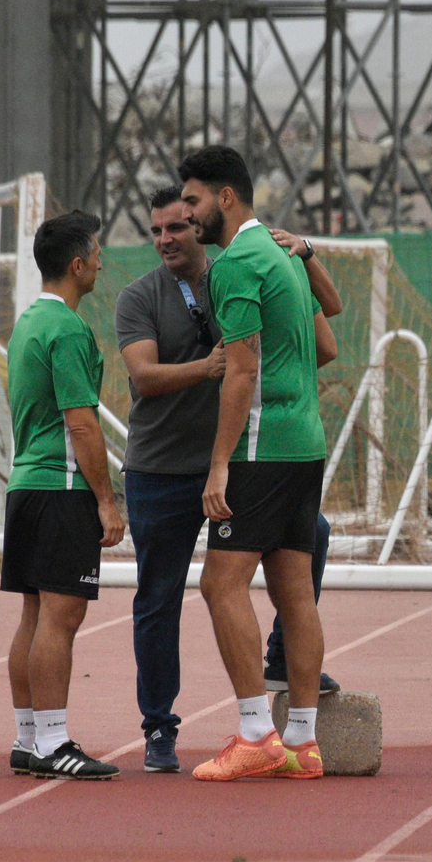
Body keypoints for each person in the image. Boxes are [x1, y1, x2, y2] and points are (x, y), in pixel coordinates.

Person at [115, 187, 343, 774]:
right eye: (156, 230)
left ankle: (280, 664)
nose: (166, 238)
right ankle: (160, 728)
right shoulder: (139, 296)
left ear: (201, 224)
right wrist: (211, 367)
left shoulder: (246, 271)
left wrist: (308, 251)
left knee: (309, 537)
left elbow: (321, 339)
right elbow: (142, 377)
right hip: (162, 468)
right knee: (158, 599)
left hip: (240, 460)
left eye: (177, 227)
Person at [178, 145, 331, 782]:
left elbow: (239, 370)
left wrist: (220, 465)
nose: (187, 215)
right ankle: (302, 742)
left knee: (219, 584)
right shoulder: (284, 254)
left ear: (227, 198)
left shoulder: (238, 261)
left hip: (262, 448)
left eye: (193, 201)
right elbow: (326, 344)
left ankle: (253, 732)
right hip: (306, 442)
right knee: (295, 591)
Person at [2, 210, 127, 781]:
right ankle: (54, 742)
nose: (102, 261)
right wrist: (106, 499)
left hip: (25, 484)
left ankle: (29, 737)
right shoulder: (70, 330)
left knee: (34, 614)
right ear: (77, 265)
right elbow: (82, 423)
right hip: (61, 486)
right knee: (63, 614)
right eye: (97, 253)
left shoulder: (27, 322)